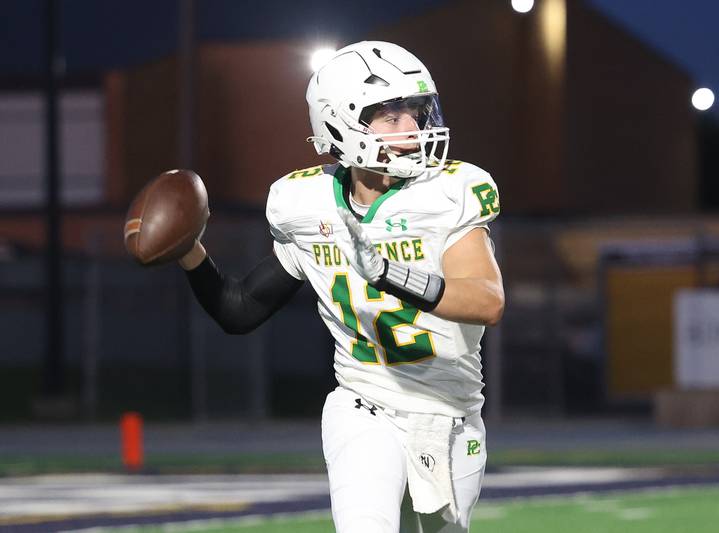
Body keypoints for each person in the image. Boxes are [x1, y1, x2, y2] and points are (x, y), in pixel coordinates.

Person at [178, 41, 503, 533]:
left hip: (450, 418)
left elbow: (486, 300)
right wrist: (187, 250)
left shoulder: (449, 192)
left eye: (415, 113)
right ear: (338, 125)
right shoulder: (305, 204)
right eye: (390, 117)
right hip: (363, 404)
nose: (412, 129)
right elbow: (238, 309)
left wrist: (390, 274)